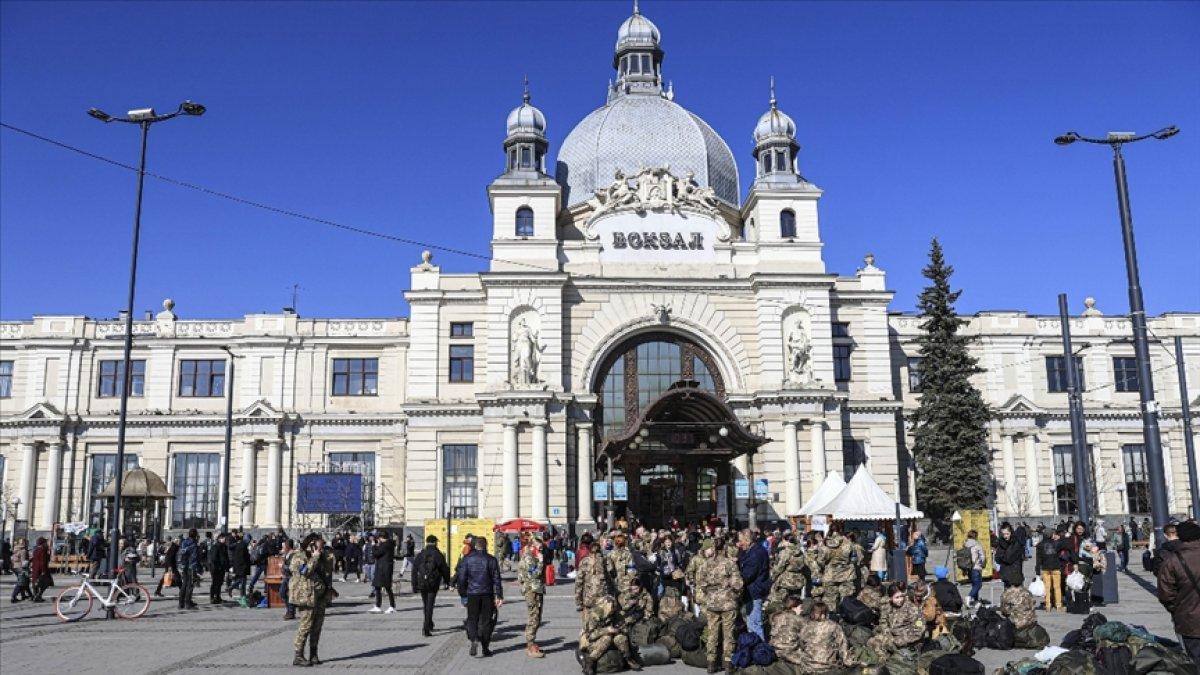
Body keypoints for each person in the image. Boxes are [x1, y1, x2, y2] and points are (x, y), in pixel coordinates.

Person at [1156, 520, 1200, 664]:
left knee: (1196, 660)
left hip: (1189, 620)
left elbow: (1165, 593)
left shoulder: (1173, 561)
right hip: (1189, 618)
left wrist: (1177, 610)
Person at [697, 538, 743, 673]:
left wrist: (711, 592)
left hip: (712, 603)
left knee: (712, 632)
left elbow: (701, 583)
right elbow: (738, 584)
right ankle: (728, 664)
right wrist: (732, 592)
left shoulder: (706, 564)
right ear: (725, 548)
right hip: (728, 603)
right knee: (728, 634)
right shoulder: (730, 564)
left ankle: (711, 663)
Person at [289, 533, 335, 667]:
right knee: (305, 626)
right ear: (311, 544)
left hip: (319, 595)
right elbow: (305, 571)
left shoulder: (320, 556)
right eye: (318, 544)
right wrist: (314, 557)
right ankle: (298, 656)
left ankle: (313, 654)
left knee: (317, 627)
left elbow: (327, 572)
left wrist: (326, 557)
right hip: (306, 596)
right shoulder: (299, 556)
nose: (321, 547)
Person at [456, 536, 503, 657]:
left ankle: (474, 639)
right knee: (486, 621)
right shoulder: (491, 559)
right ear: (486, 545)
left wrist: (463, 593)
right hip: (487, 594)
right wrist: (499, 595)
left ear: (475, 546)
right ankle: (485, 648)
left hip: (472, 594)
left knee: (472, 619)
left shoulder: (467, 559)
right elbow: (497, 579)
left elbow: (461, 578)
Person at [579, 594, 641, 675]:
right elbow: (590, 636)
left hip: (611, 637)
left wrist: (619, 630)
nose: (613, 609)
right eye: (611, 607)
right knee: (607, 638)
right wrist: (607, 630)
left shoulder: (614, 613)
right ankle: (589, 662)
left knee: (620, 637)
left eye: (614, 607)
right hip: (593, 642)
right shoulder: (594, 614)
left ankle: (628, 659)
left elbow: (623, 626)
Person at [868, 582, 925, 656]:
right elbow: (883, 621)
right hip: (891, 638)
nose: (900, 600)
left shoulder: (912, 609)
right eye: (897, 597)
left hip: (908, 642)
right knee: (871, 642)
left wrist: (899, 641)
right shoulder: (887, 606)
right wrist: (887, 633)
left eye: (902, 596)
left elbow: (919, 630)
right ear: (890, 597)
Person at [797, 600, 856, 672]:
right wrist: (848, 662)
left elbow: (801, 643)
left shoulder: (806, 625)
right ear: (825, 613)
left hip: (808, 665)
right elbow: (843, 645)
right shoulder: (833, 626)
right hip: (827, 666)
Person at [412, 535, 450, 635]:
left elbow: (414, 570)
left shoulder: (421, 554)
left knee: (426, 605)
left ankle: (429, 623)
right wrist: (448, 582)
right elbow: (445, 569)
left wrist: (414, 585)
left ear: (426, 542)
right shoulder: (438, 554)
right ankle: (426, 627)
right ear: (435, 542)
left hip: (422, 583)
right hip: (433, 584)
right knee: (430, 605)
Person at [736, 529, 770, 640]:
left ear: (748, 540)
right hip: (753, 590)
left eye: (741, 541)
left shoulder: (756, 553)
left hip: (754, 591)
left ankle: (760, 651)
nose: (739, 544)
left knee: (754, 624)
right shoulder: (752, 551)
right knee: (752, 623)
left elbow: (747, 575)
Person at [518, 534, 546, 658]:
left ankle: (532, 643)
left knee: (536, 617)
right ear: (532, 545)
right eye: (539, 547)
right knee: (533, 618)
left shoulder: (531, 556)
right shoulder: (528, 557)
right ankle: (530, 646)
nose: (540, 549)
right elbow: (533, 575)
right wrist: (540, 561)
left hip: (536, 589)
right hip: (532, 590)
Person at [769, 593, 809, 668]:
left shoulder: (775, 616)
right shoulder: (799, 619)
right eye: (800, 607)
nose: (802, 609)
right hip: (789, 652)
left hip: (774, 649)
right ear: (793, 607)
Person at [575, 540, 610, 614]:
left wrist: (579, 601)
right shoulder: (605, 560)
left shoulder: (585, 561)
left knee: (589, 622)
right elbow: (610, 579)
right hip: (602, 598)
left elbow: (579, 582)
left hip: (588, 599)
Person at [1037, 527, 1065, 611]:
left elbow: (1038, 559)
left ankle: (1048, 605)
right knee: (1057, 587)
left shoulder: (1040, 545)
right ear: (1052, 535)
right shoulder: (1057, 543)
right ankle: (1058, 605)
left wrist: (1037, 571)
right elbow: (1064, 544)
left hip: (1045, 568)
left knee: (1047, 588)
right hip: (1056, 567)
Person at [369, 530, 397, 613]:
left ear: (381, 538)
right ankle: (379, 605)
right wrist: (378, 545)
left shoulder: (386, 545)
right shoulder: (387, 544)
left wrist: (374, 546)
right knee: (378, 587)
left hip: (384, 569)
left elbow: (376, 554)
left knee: (387, 587)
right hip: (383, 568)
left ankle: (391, 606)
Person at [995, 523, 1024, 588]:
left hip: (1015, 576)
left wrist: (1001, 556)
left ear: (1011, 532)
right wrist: (1001, 556)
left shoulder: (1016, 543)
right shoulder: (1001, 542)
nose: (1005, 536)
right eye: (1003, 534)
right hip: (1005, 575)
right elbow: (997, 559)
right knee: (1006, 596)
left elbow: (1008, 559)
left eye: (1007, 534)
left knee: (1017, 596)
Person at [177, 529, 201, 610]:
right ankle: (188, 603)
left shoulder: (184, 542)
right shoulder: (194, 544)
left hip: (184, 566)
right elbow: (194, 557)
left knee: (184, 584)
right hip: (191, 566)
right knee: (190, 585)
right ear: (196, 535)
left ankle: (181, 603)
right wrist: (196, 568)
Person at [964, 529, 985, 607]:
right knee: (978, 585)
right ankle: (969, 597)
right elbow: (982, 556)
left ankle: (976, 601)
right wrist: (982, 564)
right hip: (976, 567)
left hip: (968, 567)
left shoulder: (965, 544)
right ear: (975, 536)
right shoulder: (977, 545)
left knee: (974, 584)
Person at [208, 532, 230, 604]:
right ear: (219, 539)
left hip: (222, 568)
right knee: (214, 583)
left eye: (225, 538)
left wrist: (227, 567)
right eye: (223, 538)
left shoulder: (224, 546)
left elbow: (226, 558)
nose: (225, 539)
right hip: (215, 568)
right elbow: (213, 558)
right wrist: (219, 565)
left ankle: (218, 597)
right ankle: (212, 597)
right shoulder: (215, 546)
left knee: (220, 583)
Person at [30, 537, 51, 602]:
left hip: (35, 568)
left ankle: (35, 596)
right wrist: (43, 571)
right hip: (42, 569)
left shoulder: (35, 549)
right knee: (47, 582)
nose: (46, 543)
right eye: (45, 542)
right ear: (43, 543)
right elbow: (43, 561)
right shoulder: (43, 550)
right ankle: (38, 595)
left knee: (35, 582)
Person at [280, 538, 297, 620]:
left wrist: (283, 566)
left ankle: (291, 612)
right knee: (282, 593)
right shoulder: (287, 554)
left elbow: (292, 567)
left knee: (289, 595)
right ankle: (290, 610)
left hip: (291, 578)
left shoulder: (293, 555)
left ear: (288, 546)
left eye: (284, 546)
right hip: (286, 577)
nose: (283, 548)